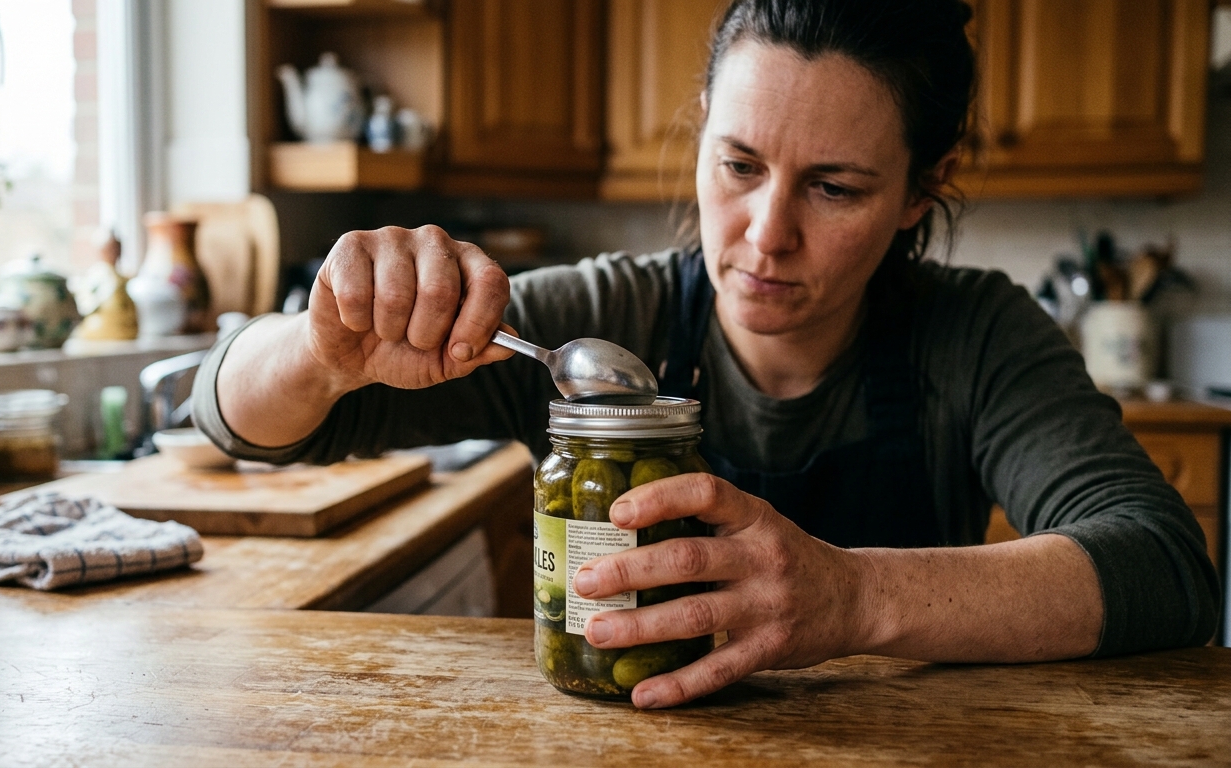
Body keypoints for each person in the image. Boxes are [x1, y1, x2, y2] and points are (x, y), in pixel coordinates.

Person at [194, 0, 1219, 709]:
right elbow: (237, 420)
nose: (763, 235)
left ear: (919, 190)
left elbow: (1163, 567)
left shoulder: (977, 335)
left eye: (835, 188)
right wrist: (323, 346)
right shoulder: (598, 319)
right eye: (736, 165)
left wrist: (853, 596)